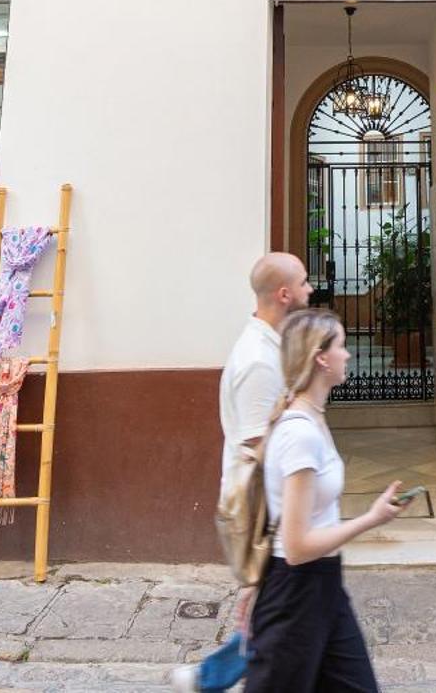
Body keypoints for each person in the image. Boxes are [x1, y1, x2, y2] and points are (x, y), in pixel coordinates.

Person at [243, 308, 408, 693]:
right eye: (342, 346)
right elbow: (298, 546)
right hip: (296, 593)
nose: (348, 355)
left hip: (323, 586)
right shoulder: (300, 433)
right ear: (321, 358)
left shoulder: (313, 419)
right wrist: (371, 518)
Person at [171, 254, 313, 693]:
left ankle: (211, 677)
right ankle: (208, 678)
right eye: (305, 283)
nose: (311, 290)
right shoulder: (258, 361)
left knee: (287, 610)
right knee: (282, 610)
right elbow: (260, 447)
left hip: (271, 507)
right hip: (259, 508)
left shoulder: (271, 346)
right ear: (284, 294)